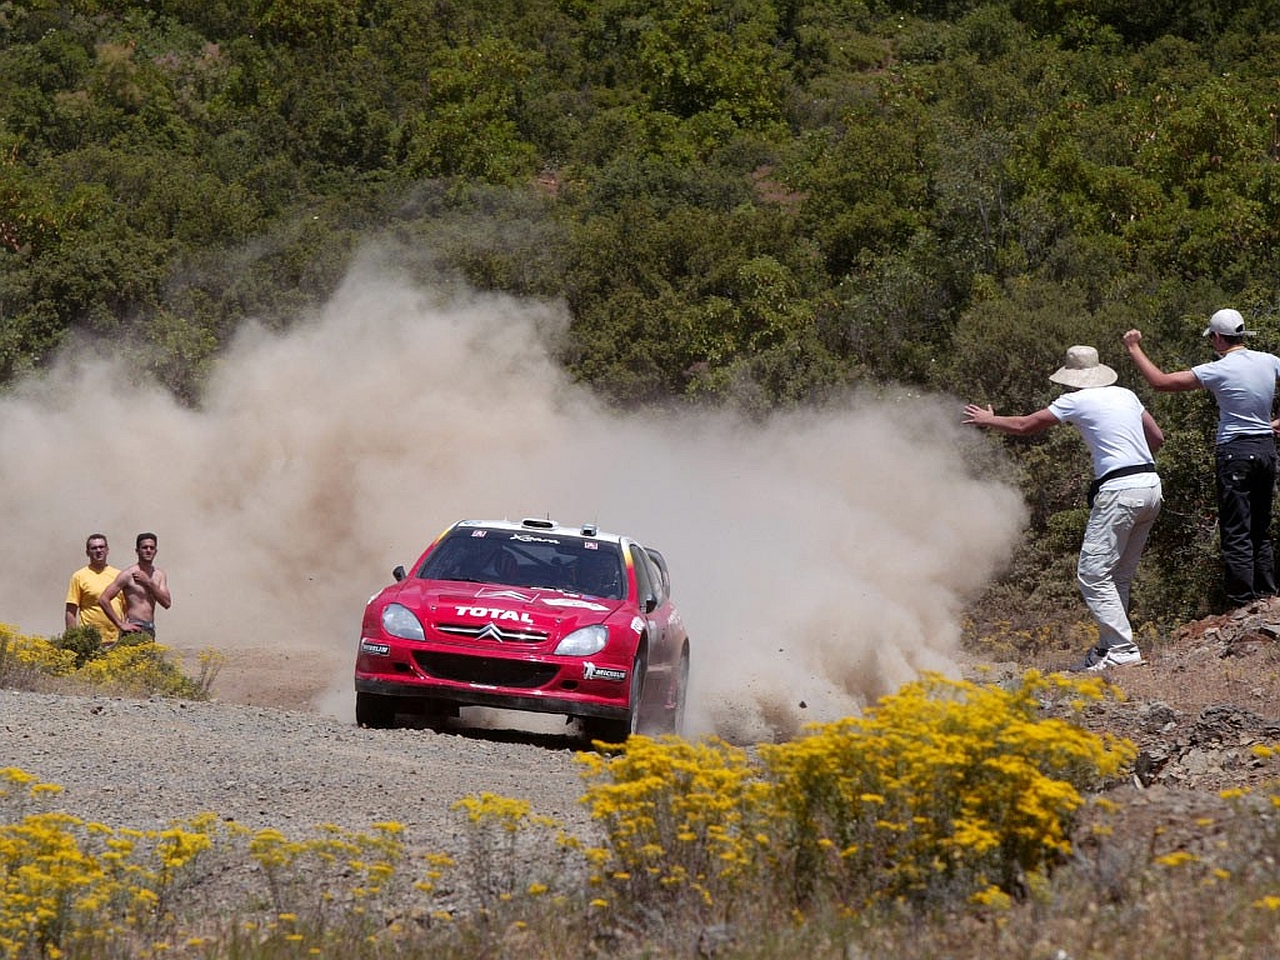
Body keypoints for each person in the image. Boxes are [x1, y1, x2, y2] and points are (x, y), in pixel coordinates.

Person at [964, 345, 1164, 671]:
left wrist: (989, 419)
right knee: (1118, 577)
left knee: (1092, 575)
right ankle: (1107, 649)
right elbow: (1157, 437)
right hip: (1151, 486)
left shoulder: (1075, 400)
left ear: (1072, 378)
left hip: (1119, 491)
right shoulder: (1127, 394)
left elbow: (1025, 426)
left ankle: (1124, 651)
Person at [1123, 310, 1280, 608]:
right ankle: (1267, 596)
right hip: (1265, 450)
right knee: (1259, 525)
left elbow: (1160, 382)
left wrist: (1134, 348)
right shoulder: (1270, 362)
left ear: (1218, 338)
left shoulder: (1218, 369)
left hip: (1235, 452)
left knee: (1236, 528)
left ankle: (1243, 603)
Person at [98, 532, 171, 639]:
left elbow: (167, 603)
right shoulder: (128, 574)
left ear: (156, 551)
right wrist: (121, 624)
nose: (148, 550)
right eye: (145, 547)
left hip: (150, 628)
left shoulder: (159, 575)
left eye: (152, 547)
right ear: (137, 551)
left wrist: (149, 583)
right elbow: (103, 599)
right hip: (134, 628)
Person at [65, 533, 127, 645]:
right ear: (87, 552)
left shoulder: (119, 576)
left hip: (116, 640)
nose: (98, 550)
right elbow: (71, 611)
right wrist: (73, 640)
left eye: (101, 547)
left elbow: (127, 608)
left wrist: (124, 631)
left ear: (107, 550)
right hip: (90, 640)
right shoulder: (79, 576)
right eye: (94, 548)